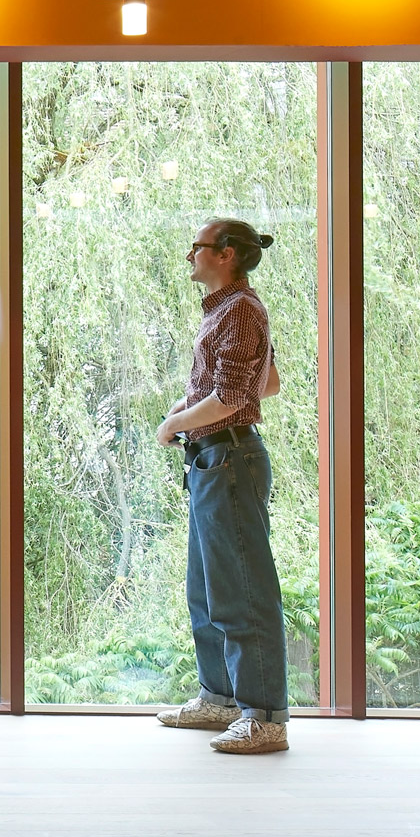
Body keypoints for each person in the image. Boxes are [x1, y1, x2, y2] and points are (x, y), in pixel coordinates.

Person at [153, 217, 290, 756]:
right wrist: (190, 411)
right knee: (207, 590)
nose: (191, 255)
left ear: (226, 254)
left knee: (243, 594)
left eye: (199, 247)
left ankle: (264, 717)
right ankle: (222, 699)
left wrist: (174, 423)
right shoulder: (229, 312)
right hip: (215, 459)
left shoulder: (239, 310)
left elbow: (234, 397)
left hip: (229, 457)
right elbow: (268, 383)